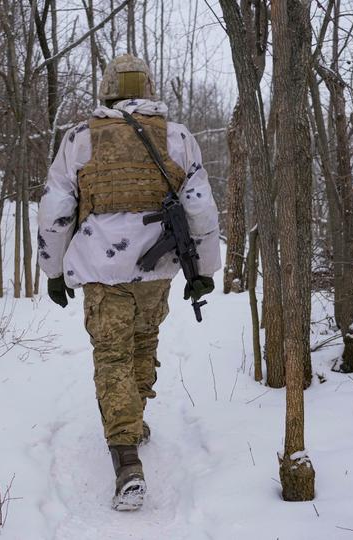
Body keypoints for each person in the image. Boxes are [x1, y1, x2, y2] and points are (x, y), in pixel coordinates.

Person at [37, 54, 221, 511]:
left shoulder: (80, 138)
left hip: (103, 271)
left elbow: (56, 209)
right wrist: (203, 272)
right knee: (143, 344)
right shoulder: (177, 136)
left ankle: (126, 463)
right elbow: (200, 209)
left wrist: (54, 270)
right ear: (149, 87)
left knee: (112, 357)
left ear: (107, 90)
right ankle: (133, 422)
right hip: (156, 269)